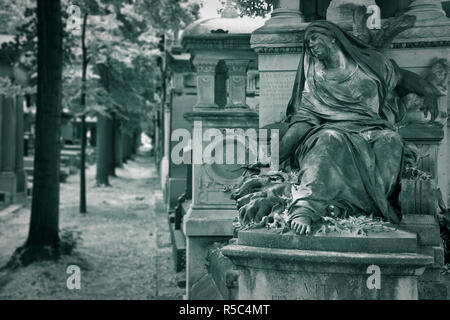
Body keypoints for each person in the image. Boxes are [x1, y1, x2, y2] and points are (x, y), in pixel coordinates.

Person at [271, 21, 439, 235]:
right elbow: (305, 117)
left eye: (314, 37)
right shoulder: (315, 77)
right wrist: (275, 156)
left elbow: (402, 77)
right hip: (332, 129)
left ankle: (369, 208)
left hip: (373, 127)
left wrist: (429, 92)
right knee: (330, 140)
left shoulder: (372, 64)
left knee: (391, 141)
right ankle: (307, 206)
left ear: (333, 37)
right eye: (307, 41)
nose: (310, 44)